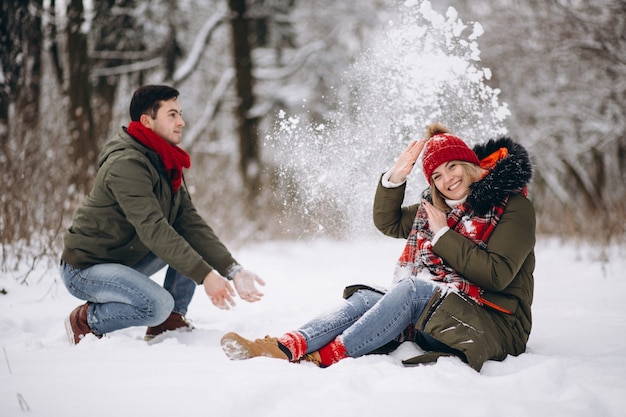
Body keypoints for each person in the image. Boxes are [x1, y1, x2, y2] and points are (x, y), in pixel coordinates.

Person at [220, 122, 535, 371]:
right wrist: (396, 177)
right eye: (436, 175)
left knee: (412, 290)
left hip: (497, 327)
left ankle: (328, 357)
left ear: (468, 163)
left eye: (452, 166)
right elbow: (390, 222)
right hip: (449, 313)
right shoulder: (441, 209)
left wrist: (443, 237)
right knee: (368, 298)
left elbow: (497, 275)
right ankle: (287, 345)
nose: (446, 179)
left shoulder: (514, 207)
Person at [60, 84, 265, 345]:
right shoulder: (126, 164)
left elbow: (189, 223)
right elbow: (153, 229)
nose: (182, 121)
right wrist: (205, 275)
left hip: (124, 258)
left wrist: (232, 270)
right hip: (86, 268)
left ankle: (170, 322)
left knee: (188, 240)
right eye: (172, 115)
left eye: (180, 113)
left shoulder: (165, 160)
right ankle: (86, 320)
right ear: (147, 121)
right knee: (156, 305)